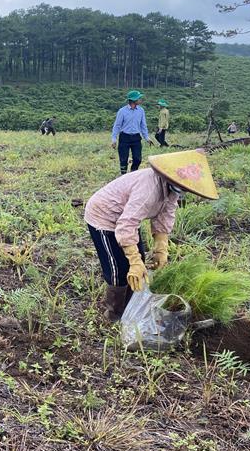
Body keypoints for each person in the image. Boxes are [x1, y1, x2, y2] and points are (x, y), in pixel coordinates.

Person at [85, 150, 219, 320]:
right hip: (104, 217)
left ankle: (132, 308)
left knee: (139, 261)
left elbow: (166, 215)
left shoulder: (172, 189)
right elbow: (127, 224)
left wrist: (160, 249)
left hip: (127, 217)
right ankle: (115, 315)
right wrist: (133, 261)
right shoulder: (149, 189)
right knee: (118, 269)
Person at [111, 90, 152, 174]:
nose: (141, 100)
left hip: (136, 138)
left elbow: (143, 125)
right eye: (139, 98)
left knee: (137, 159)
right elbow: (117, 125)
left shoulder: (141, 111)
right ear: (133, 100)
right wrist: (114, 139)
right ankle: (123, 176)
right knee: (123, 159)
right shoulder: (122, 111)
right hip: (124, 137)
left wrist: (147, 137)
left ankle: (133, 173)